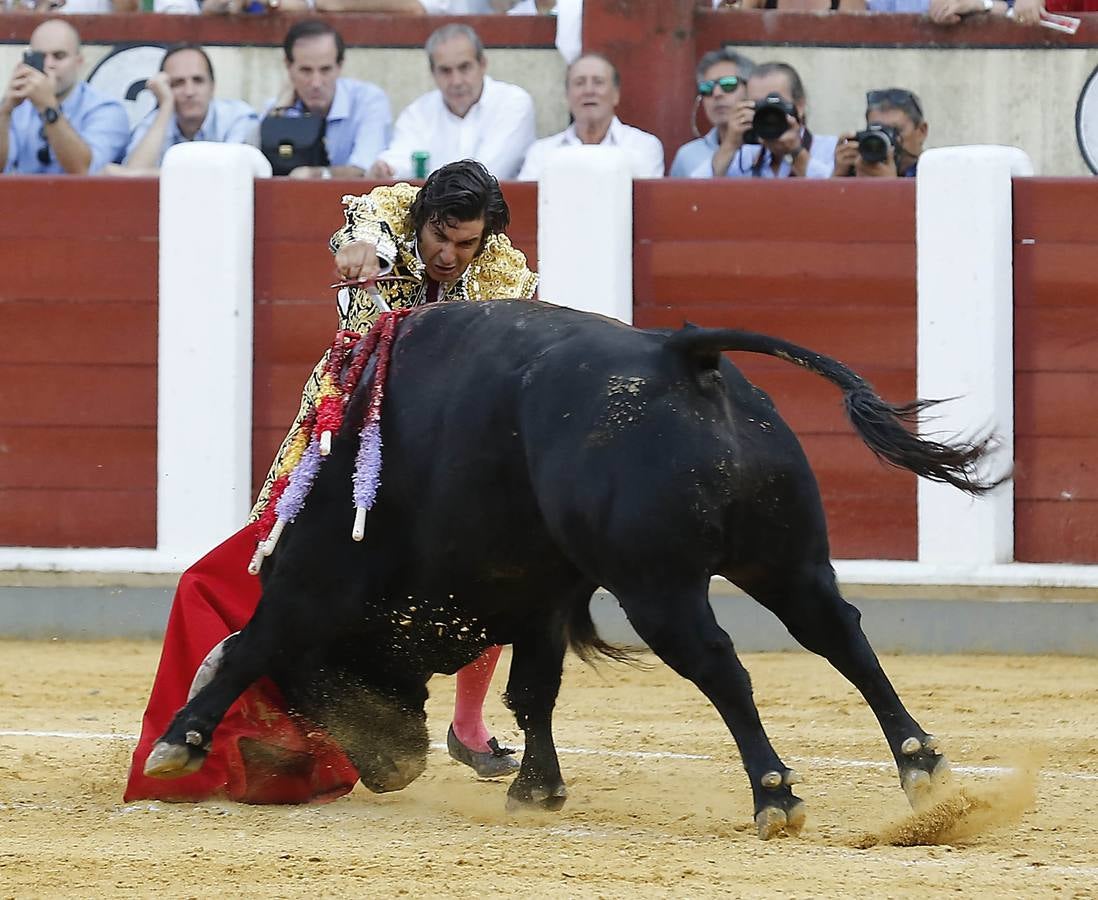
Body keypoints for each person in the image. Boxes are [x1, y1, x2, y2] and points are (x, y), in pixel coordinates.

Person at [125, 159, 537, 806]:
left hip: (435, 460)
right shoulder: (392, 214)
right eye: (440, 238)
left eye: (465, 244)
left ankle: (466, 721)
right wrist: (361, 250)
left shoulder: (503, 273)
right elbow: (363, 227)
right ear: (423, 218)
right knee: (264, 566)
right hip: (349, 439)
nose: (448, 255)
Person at [368, 24, 536, 181]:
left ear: (482, 64)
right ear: (433, 73)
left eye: (464, 68)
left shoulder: (512, 103)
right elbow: (399, 160)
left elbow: (486, 177)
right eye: (445, 71)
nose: (456, 81)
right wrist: (385, 169)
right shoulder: (417, 113)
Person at [260, 20, 392, 180]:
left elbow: (365, 170)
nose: (316, 83)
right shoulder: (278, 109)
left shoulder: (368, 101)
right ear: (288, 67)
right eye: (305, 70)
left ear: (340, 66)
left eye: (325, 70)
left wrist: (318, 174)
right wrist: (278, 113)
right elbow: (259, 168)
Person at [1, 19, 128, 176]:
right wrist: (4, 112)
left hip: (83, 200)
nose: (49, 64)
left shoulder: (106, 110)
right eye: (40, 57)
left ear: (79, 62)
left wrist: (47, 107)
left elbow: (83, 171)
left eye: (59, 56)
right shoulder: (18, 108)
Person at [107, 44, 257, 174]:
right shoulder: (156, 122)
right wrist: (165, 105)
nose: (189, 92)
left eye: (198, 81)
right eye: (178, 83)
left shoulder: (238, 118)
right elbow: (132, 180)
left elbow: (233, 174)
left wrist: (157, 175)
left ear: (212, 86)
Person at [517, 52, 664, 181]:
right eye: (579, 83)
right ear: (567, 96)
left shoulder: (643, 147)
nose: (588, 91)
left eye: (598, 82)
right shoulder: (542, 152)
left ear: (616, 95)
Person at [707, 61, 837, 180]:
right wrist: (729, 145)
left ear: (800, 105)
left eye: (775, 103)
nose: (768, 113)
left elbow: (838, 194)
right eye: (758, 104)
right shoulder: (744, 156)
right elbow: (695, 190)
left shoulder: (830, 150)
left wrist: (797, 154)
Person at [668, 47, 755, 178]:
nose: (717, 94)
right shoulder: (687, 156)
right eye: (707, 87)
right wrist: (729, 145)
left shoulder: (773, 146)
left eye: (728, 84)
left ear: (751, 90)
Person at [832, 88, 928, 179]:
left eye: (895, 131)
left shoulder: (935, 173)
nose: (886, 139)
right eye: (878, 131)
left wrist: (890, 187)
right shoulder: (858, 166)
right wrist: (838, 178)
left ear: (921, 131)